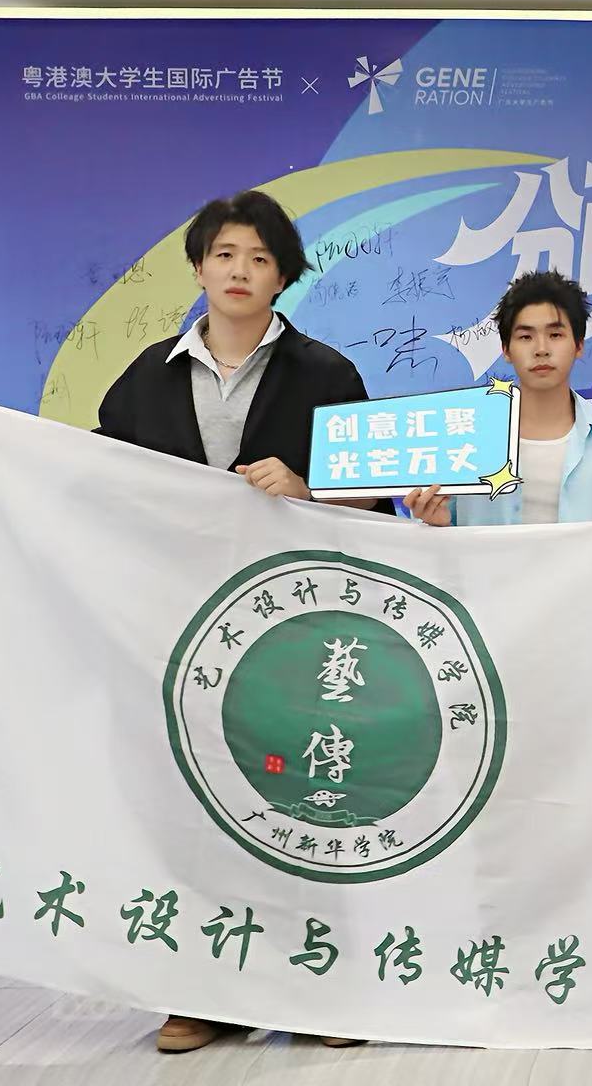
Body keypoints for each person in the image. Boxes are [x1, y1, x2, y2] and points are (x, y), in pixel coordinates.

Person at [101, 189, 381, 1051]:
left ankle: (321, 988)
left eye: (260, 259)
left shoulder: (327, 376)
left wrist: (305, 488)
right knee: (194, 804)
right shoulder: (147, 376)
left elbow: (373, 504)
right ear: (198, 267)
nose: (240, 271)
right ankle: (204, 993)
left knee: (303, 800)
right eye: (224, 254)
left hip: (291, 634)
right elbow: (95, 482)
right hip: (177, 628)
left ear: (283, 277)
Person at [405, 269, 592, 528]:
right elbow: (440, 528)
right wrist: (437, 522)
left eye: (555, 335)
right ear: (506, 349)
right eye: (525, 336)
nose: (541, 349)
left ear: (578, 345)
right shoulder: (467, 440)